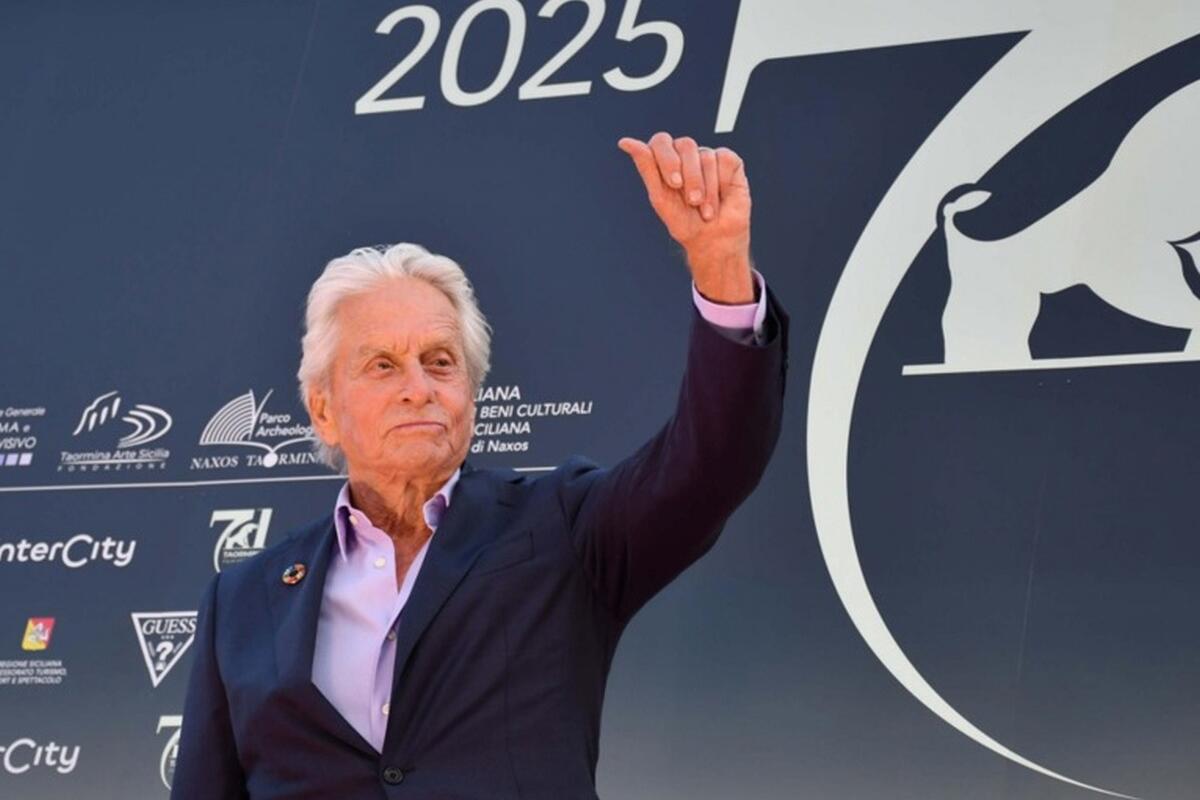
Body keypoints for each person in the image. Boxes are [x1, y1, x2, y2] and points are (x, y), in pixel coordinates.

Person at [172, 132, 789, 799]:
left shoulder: (562, 529)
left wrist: (720, 265)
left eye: (440, 362)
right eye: (382, 366)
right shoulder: (243, 600)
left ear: (470, 393)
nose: (418, 387)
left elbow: (709, 466)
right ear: (323, 411)